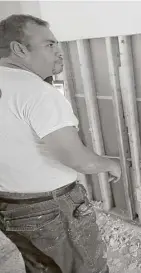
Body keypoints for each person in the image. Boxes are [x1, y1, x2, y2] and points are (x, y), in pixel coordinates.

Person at [0, 14, 121, 273]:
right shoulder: (37, 93)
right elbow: (78, 159)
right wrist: (109, 164)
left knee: (42, 267)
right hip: (49, 209)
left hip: (8, 206)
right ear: (19, 49)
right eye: (49, 45)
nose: (59, 51)